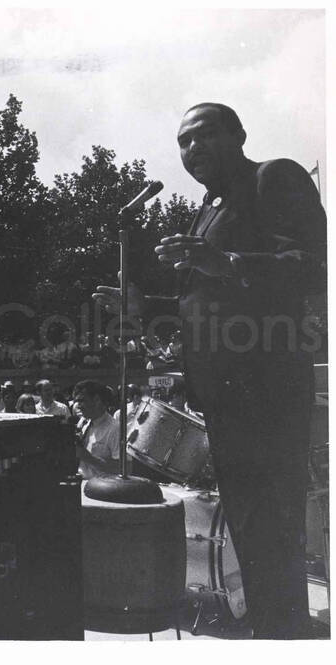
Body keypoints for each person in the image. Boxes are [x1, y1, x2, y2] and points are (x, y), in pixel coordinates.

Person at [93, 103, 326, 639]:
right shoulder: (208, 209)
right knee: (249, 521)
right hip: (225, 393)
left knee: (272, 521)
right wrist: (139, 305)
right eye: (182, 142)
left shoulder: (274, 178)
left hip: (266, 384)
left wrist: (231, 263)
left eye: (203, 136)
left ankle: (283, 632)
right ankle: (272, 624)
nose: (191, 150)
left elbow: (312, 263)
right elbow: (200, 303)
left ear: (238, 134)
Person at [72, 380, 118, 479]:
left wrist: (88, 457)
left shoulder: (115, 429)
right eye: (77, 401)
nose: (78, 406)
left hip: (102, 490)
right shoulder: (83, 423)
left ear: (97, 400)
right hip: (81, 483)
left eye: (82, 401)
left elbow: (124, 468)